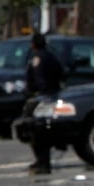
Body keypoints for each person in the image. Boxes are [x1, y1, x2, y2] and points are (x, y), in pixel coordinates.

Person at [23, 33, 64, 175]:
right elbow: (61, 73)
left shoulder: (36, 59)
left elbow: (34, 78)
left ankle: (42, 162)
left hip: (39, 98)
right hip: (52, 95)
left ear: (33, 44)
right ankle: (42, 161)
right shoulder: (51, 57)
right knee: (42, 131)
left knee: (34, 132)